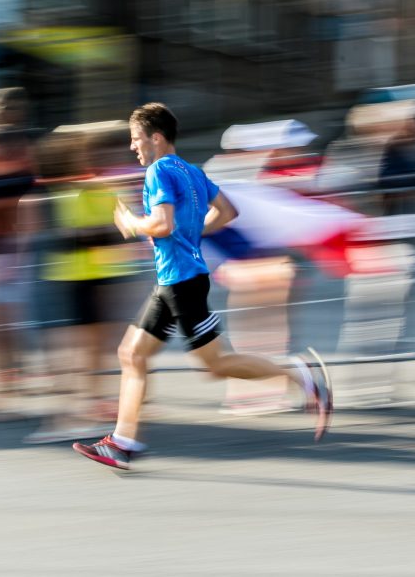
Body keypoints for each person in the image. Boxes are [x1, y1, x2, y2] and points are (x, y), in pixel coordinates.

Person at [73, 103, 332, 470]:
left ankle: (300, 376)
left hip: (181, 283)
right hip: (173, 280)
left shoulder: (159, 171)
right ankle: (122, 442)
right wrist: (191, 231)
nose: (133, 147)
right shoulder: (192, 171)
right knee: (131, 354)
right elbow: (227, 212)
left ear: (156, 137)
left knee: (217, 364)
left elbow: (161, 225)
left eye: (136, 139)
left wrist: (133, 223)